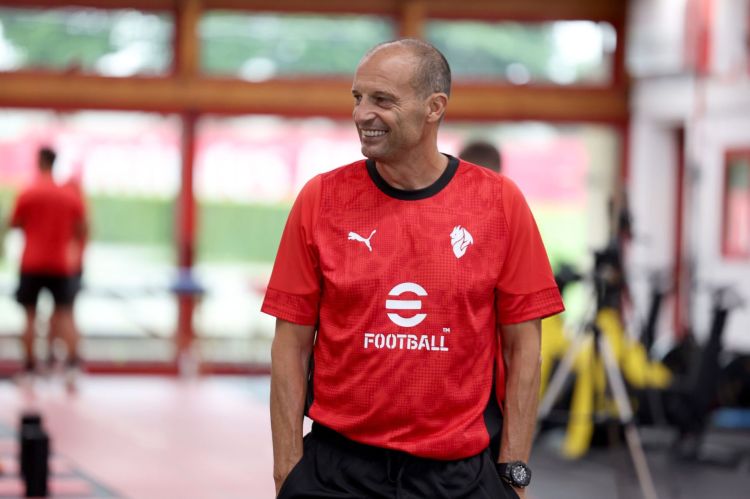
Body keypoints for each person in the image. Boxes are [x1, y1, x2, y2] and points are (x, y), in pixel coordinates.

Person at [262, 39, 564, 499]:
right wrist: (287, 470)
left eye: (382, 100)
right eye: (358, 97)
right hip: (336, 473)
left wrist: (514, 471)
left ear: (433, 107)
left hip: (458, 478)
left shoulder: (500, 204)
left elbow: (524, 348)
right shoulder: (320, 200)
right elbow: (290, 345)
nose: (362, 113)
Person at [9, 147, 87, 388]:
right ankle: (72, 370)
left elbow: (15, 223)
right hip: (61, 264)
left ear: (39, 162)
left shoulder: (28, 192)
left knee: (30, 317)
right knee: (65, 315)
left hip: (32, 262)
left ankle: (30, 371)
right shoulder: (68, 196)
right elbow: (82, 229)